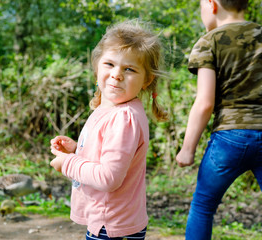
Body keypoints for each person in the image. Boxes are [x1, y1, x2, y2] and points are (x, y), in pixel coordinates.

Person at [49, 20, 168, 240]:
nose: (116, 74)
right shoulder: (114, 109)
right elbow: (110, 156)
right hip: (119, 220)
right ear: (96, 68)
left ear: (147, 80)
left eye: (129, 69)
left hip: (110, 224)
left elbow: (108, 178)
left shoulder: (123, 118)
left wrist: (68, 163)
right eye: (109, 64)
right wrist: (77, 150)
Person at [176, 0, 262, 239]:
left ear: (211, 4)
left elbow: (205, 102)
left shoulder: (209, 41)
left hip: (229, 139)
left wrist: (187, 149)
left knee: (203, 207)